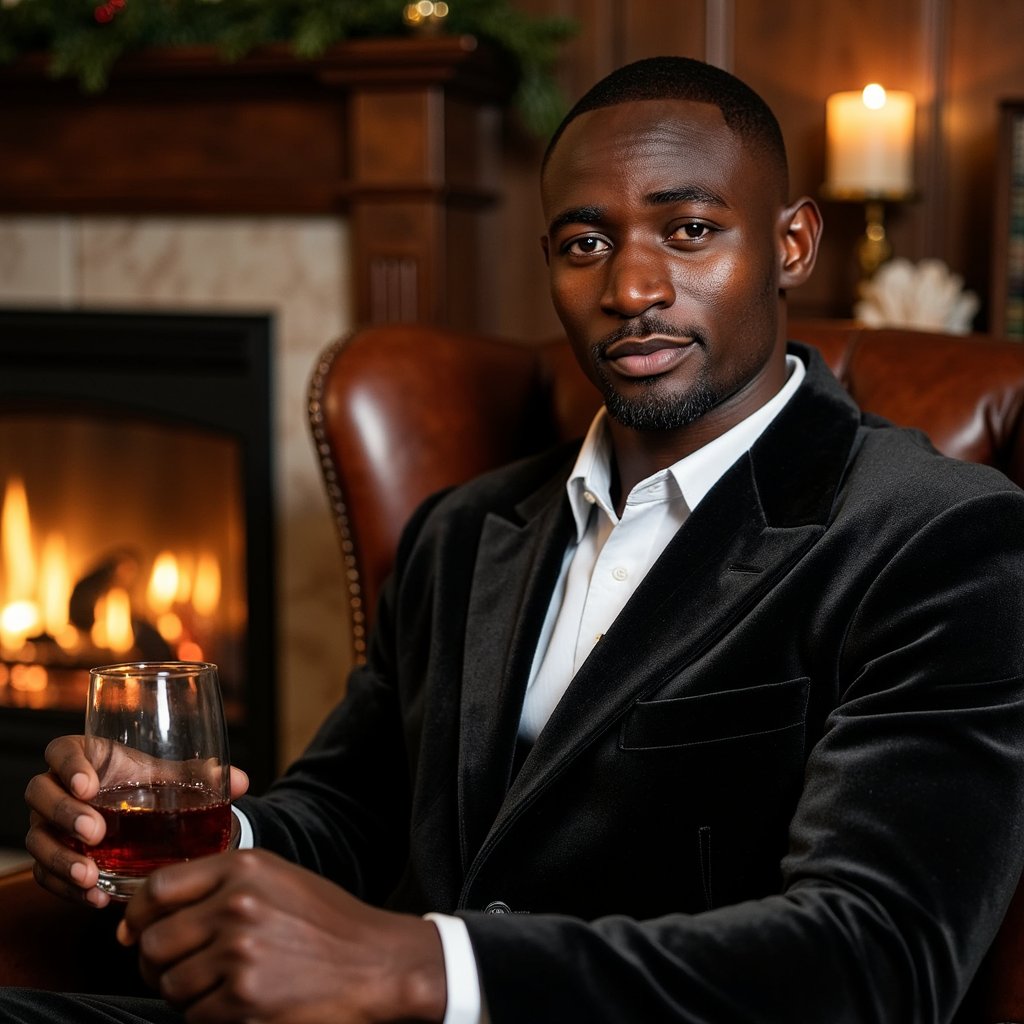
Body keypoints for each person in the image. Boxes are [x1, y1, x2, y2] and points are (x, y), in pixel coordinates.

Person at [7, 54, 1024, 1024]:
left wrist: (423, 968)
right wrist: (192, 835)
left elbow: (875, 959)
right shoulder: (461, 532)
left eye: (688, 232)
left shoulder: (940, 543)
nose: (631, 289)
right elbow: (352, 812)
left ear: (792, 243)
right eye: (587, 244)